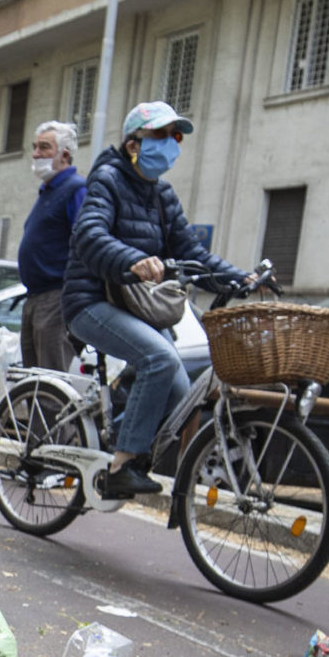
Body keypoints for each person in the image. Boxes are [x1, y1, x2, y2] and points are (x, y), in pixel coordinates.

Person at [65, 100, 243, 498]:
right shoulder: (107, 179)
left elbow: (192, 252)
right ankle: (123, 464)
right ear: (134, 144)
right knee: (160, 359)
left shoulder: (163, 195)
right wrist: (134, 260)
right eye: (161, 135)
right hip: (91, 300)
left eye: (175, 136)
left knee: (180, 392)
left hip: (136, 306)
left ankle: (117, 439)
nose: (172, 144)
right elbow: (89, 236)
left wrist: (240, 278)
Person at [14, 120, 85, 371]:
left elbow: (84, 242)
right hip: (36, 297)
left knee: (50, 380)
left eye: (44, 147)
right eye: (35, 147)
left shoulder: (75, 189)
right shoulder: (49, 190)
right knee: (34, 381)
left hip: (56, 297)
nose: (35, 154)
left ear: (64, 154)